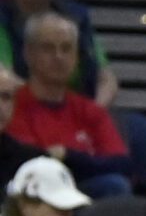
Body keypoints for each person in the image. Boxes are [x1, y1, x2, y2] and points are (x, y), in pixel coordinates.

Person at [8, 13, 132, 196]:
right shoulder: (10, 104)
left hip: (83, 195)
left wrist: (67, 155)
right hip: (30, 195)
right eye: (48, 48)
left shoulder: (89, 110)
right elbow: (31, 163)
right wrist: (84, 162)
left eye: (66, 49)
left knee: (116, 185)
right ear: (28, 54)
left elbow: (121, 163)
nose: (58, 57)